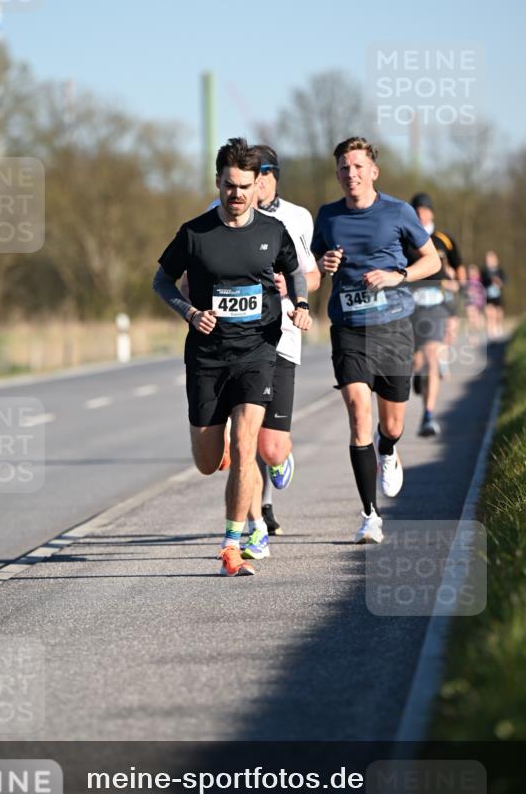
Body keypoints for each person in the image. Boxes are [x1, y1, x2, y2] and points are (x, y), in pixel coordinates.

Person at [152, 138, 312, 576]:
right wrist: (188, 311)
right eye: (229, 186)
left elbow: (295, 271)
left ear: (256, 184)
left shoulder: (272, 231)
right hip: (206, 357)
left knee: (246, 448)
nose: (237, 194)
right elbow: (161, 281)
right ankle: (217, 449)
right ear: (217, 182)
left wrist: (301, 305)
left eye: (245, 186)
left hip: (258, 353)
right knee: (207, 462)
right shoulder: (194, 233)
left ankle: (232, 543)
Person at [311, 137, 441, 544]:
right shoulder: (328, 216)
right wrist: (322, 264)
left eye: (358, 166)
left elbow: (432, 260)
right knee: (356, 411)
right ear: (337, 174)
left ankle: (388, 450)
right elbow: (313, 273)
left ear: (373, 171)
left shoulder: (398, 212)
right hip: (349, 327)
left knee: (393, 423)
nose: (351, 174)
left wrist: (396, 276)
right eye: (344, 168)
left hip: (394, 326)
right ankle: (370, 516)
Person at [239, 144, 320, 556]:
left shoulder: (298, 217)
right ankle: (256, 526)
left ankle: (280, 459)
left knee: (270, 446)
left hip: (284, 335)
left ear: (275, 176)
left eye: (267, 172)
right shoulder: (228, 213)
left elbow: (313, 276)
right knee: (245, 436)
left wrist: (294, 290)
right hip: (240, 341)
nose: (261, 180)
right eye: (255, 173)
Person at [408, 193, 465, 436]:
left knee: (432, 356)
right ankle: (420, 380)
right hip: (411, 307)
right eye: (416, 210)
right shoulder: (405, 239)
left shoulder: (443, 239)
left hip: (437, 305)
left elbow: (459, 266)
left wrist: (457, 285)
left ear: (431, 212)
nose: (420, 214)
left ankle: (428, 415)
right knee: (417, 362)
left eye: (424, 210)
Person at [480, 251, 507, 338]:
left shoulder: (500, 270)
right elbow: (481, 281)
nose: (489, 261)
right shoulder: (484, 271)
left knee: (498, 313)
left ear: (496, 260)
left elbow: (505, 280)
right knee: (490, 313)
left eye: (491, 259)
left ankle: (498, 326)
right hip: (487, 296)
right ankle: (490, 331)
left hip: (497, 296)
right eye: (488, 259)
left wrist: (499, 282)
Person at [465, 264, 487, 342]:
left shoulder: (480, 280)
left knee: (477, 321)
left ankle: (476, 335)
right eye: (470, 272)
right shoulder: (466, 281)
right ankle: (472, 337)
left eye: (473, 271)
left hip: (478, 302)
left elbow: (483, 291)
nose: (472, 273)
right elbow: (463, 291)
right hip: (469, 302)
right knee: (471, 319)